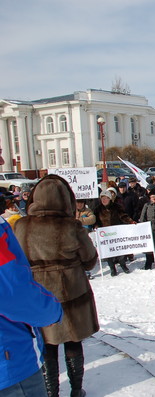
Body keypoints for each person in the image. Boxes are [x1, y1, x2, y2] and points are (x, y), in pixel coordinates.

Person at [14, 175, 99, 397]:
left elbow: (17, 262)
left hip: (39, 295)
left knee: (47, 345)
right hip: (72, 292)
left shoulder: (22, 226)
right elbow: (90, 260)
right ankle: (76, 390)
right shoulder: (72, 226)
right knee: (72, 341)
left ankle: (51, 392)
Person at [0, 142, 63, 397]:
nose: (3, 162)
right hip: (10, 363)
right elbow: (13, 292)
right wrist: (52, 309)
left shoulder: (21, 224)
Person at [94, 190, 136, 276]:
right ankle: (112, 268)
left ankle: (123, 265)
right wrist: (96, 226)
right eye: (102, 198)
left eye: (106, 198)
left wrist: (131, 221)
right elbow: (96, 221)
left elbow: (123, 216)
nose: (104, 200)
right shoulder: (97, 209)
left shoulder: (117, 207)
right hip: (105, 234)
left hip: (116, 233)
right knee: (109, 251)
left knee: (120, 251)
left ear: (110, 199)